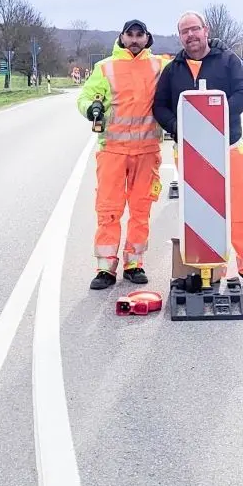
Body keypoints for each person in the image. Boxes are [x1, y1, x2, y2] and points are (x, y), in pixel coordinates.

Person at [151, 10, 243, 289]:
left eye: (194, 29)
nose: (190, 35)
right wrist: (178, 126)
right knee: (199, 212)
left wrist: (216, 121)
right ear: (180, 37)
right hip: (190, 153)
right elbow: (160, 106)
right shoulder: (173, 70)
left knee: (240, 207)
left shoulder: (228, 61)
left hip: (228, 148)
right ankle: (211, 269)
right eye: (184, 31)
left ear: (206, 30)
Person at [77, 19, 173, 290]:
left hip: (146, 151)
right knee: (108, 210)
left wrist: (212, 47)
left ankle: (134, 263)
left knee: (141, 210)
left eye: (139, 35)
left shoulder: (159, 66)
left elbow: (188, 65)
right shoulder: (105, 67)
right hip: (113, 152)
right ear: (121, 37)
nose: (134, 39)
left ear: (147, 38)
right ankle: (105, 268)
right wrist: (90, 109)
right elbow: (85, 97)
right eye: (129, 35)